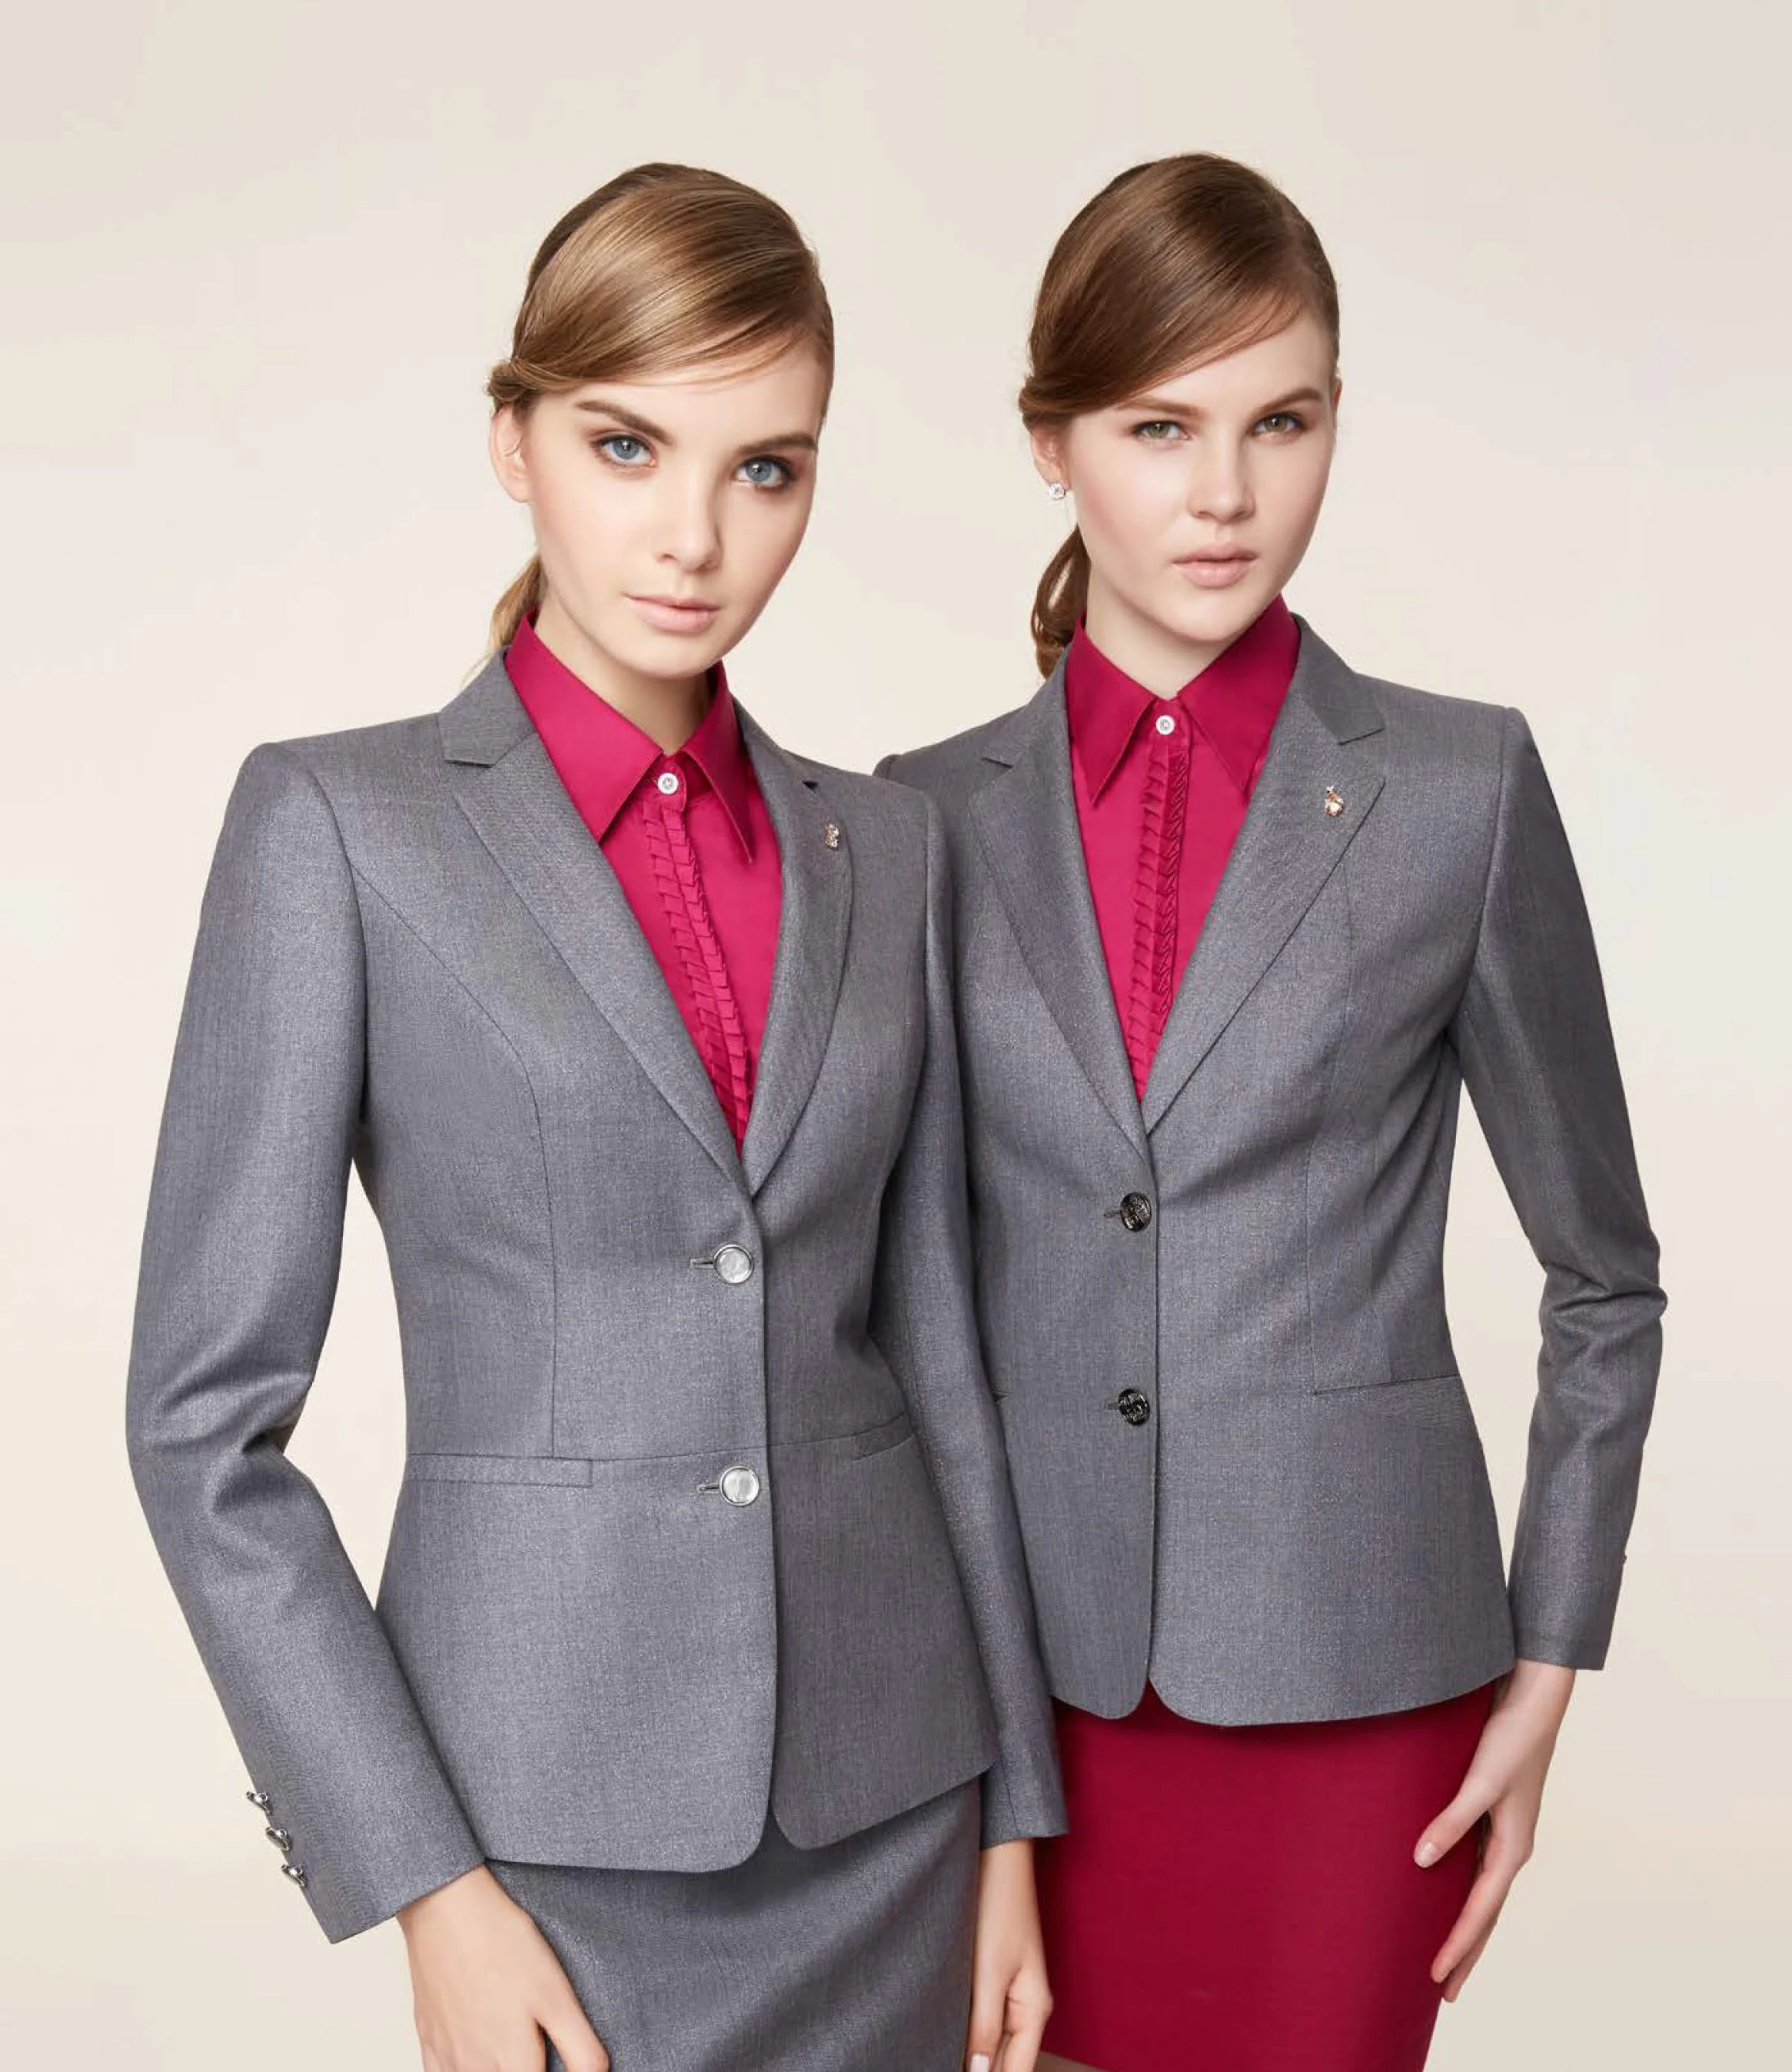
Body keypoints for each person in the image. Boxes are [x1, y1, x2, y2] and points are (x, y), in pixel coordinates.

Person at [124, 161, 1062, 2072]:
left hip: (898, 1805)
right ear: (514, 440)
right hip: (540, 1834)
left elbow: (940, 1365)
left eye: (764, 468)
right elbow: (201, 1430)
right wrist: (427, 1885)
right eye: (626, 446)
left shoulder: (887, 850)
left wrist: (1014, 1823)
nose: (693, 536)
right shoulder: (341, 831)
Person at [877, 151, 1665, 2072]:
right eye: (1160, 427)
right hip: (1015, 1698)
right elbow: (903, 1303)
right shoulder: (914, 822)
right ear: (1052, 444)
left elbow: (1604, 1276)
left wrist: (1549, 1662)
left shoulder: (1458, 792)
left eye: (1280, 422)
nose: (1224, 492)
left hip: (1361, 1682)